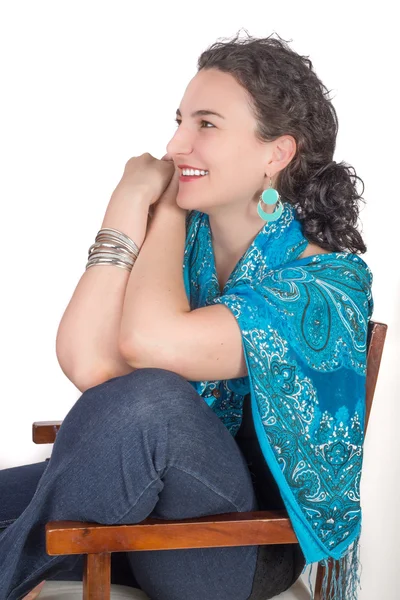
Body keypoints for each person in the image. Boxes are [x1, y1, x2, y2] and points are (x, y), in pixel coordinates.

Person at [0, 30, 372, 600]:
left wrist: (167, 207)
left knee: (151, 399)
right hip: (150, 502)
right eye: (179, 121)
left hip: (233, 549)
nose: (176, 145)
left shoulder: (325, 284)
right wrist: (125, 205)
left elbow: (148, 350)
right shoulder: (188, 244)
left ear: (277, 153)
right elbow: (86, 362)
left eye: (205, 124)